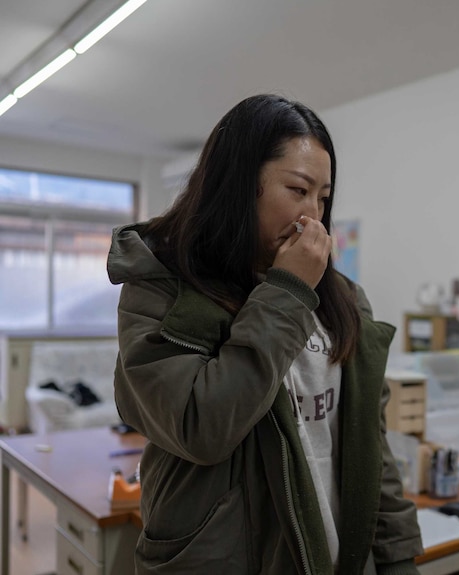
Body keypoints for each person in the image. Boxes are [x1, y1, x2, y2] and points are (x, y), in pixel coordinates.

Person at [108, 94, 423, 574]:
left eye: (323, 197)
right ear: (238, 185)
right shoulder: (163, 289)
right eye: (298, 190)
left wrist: (399, 558)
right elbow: (201, 427)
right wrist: (289, 289)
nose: (312, 217)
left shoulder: (344, 299)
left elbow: (370, 451)